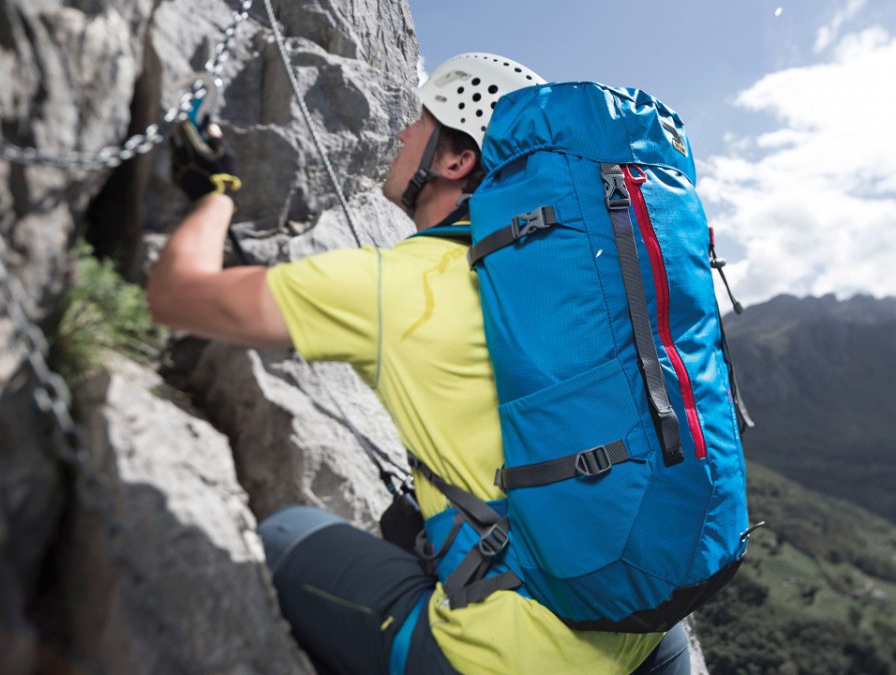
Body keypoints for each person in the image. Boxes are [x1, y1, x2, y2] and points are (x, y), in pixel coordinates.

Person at [147, 53, 690, 675]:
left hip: (510, 661)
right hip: (648, 629)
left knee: (284, 534)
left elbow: (175, 294)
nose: (403, 133)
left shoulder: (400, 285)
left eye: (421, 121)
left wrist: (214, 193)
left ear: (455, 161)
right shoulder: (583, 288)